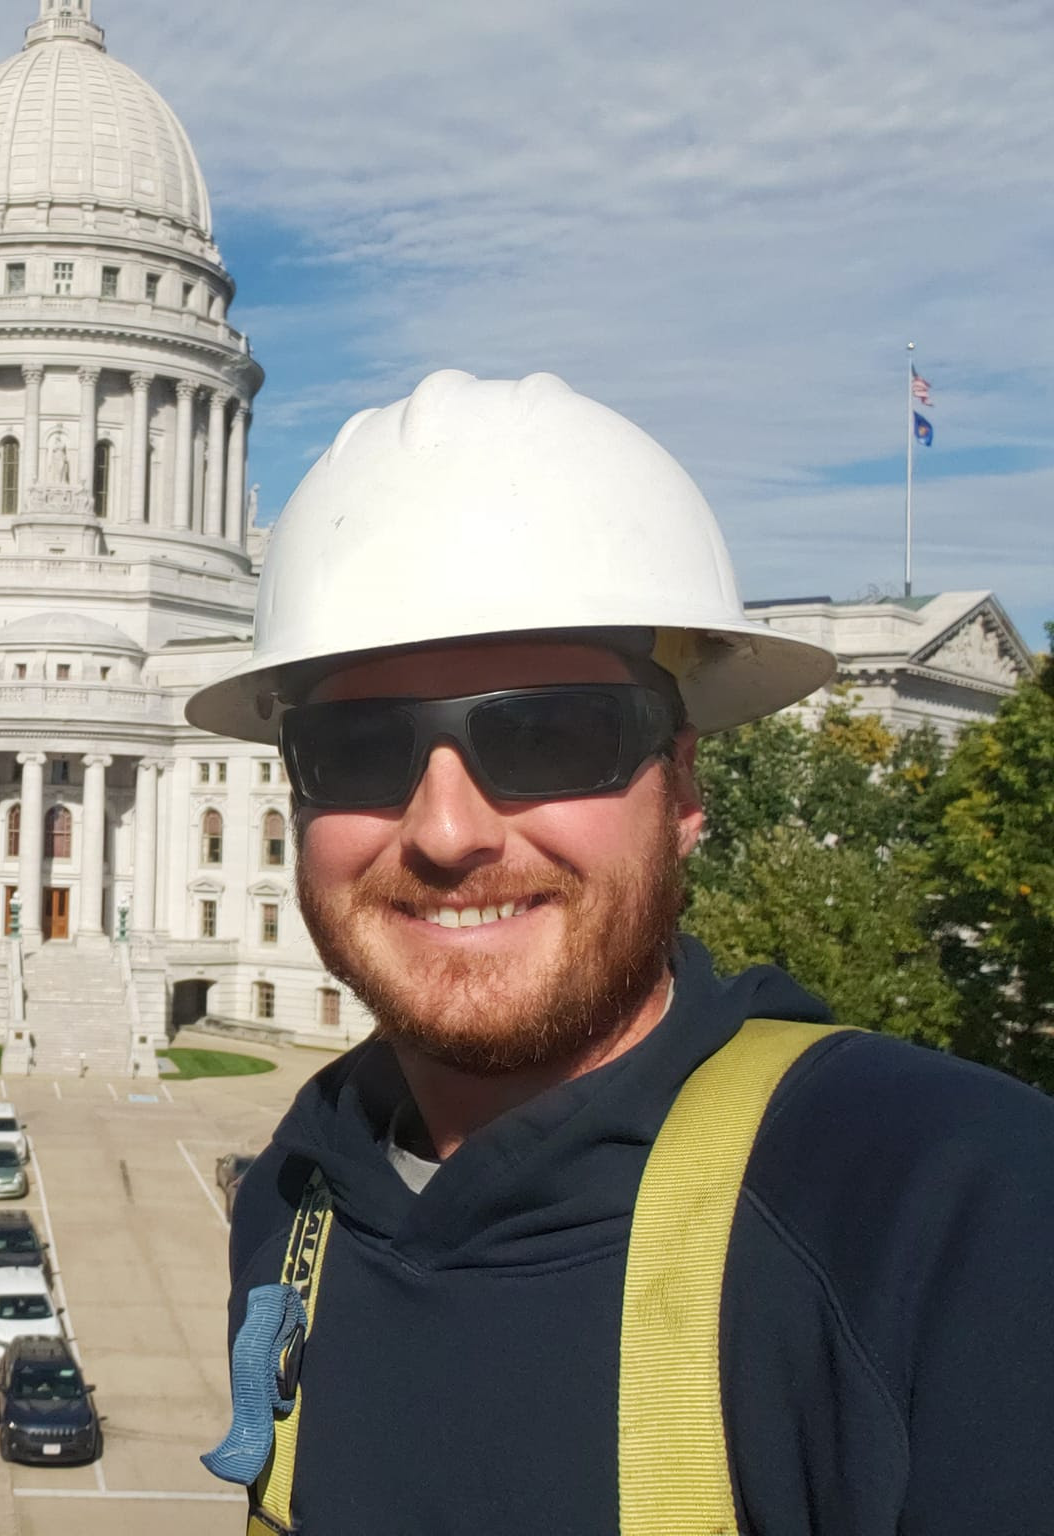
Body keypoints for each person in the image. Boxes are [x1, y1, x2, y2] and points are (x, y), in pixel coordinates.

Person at [187, 371, 1054, 1534]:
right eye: (356, 748)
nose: (447, 832)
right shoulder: (297, 1198)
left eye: (545, 735)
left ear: (684, 788)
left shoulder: (951, 1216)